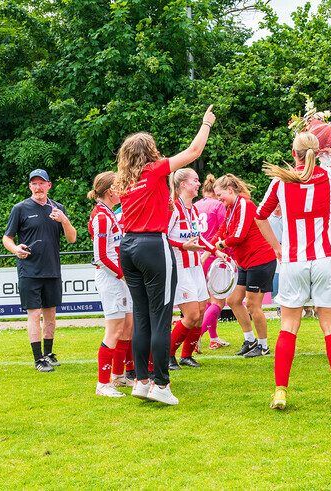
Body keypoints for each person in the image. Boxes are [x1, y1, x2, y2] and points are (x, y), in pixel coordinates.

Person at [115, 105, 215, 406]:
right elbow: (194, 151)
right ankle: (161, 383)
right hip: (152, 245)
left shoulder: (124, 181)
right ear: (150, 152)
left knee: (143, 317)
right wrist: (206, 122)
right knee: (160, 319)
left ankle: (142, 382)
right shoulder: (153, 171)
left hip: (128, 247)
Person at [256, 132, 331, 410]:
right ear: (318, 151)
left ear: (293, 153)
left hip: (294, 260)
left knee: (289, 326)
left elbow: (260, 216)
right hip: (325, 258)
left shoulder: (280, 181)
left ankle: (280, 392)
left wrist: (276, 247)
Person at [3, 169, 77, 372]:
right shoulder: (20, 208)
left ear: (49, 185)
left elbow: (72, 238)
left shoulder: (58, 208)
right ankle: (38, 359)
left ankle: (49, 354)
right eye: (34, 184)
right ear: (30, 186)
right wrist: (16, 249)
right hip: (29, 270)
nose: (38, 187)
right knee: (34, 313)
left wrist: (64, 220)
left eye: (41, 183)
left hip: (52, 269)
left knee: (50, 314)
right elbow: (7, 238)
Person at [167, 168, 227, 370]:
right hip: (180, 267)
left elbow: (198, 237)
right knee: (191, 315)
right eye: (195, 180)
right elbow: (163, 237)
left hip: (195, 266)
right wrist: (184, 246)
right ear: (183, 184)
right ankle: (167, 355)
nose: (199, 184)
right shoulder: (173, 208)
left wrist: (214, 251)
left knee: (201, 313)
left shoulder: (192, 209)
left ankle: (187, 355)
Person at [213, 174, 276, 358]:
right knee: (233, 300)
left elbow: (238, 235)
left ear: (230, 190)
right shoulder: (231, 207)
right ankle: (250, 340)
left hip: (260, 260)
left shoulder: (244, 204)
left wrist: (222, 244)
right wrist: (208, 246)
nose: (219, 199)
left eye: (220, 195)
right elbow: (222, 231)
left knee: (253, 304)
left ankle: (263, 346)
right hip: (246, 262)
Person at [87, 171, 134, 397]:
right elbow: (100, 256)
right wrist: (122, 274)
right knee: (114, 329)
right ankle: (102, 384)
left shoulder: (109, 213)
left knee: (127, 327)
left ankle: (118, 376)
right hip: (111, 278)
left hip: (118, 277)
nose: (122, 189)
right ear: (109, 191)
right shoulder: (102, 217)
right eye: (118, 186)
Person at [193, 174, 231, 350]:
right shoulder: (218, 205)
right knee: (218, 302)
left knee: (208, 302)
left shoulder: (195, 206)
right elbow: (225, 230)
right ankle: (196, 338)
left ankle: (213, 337)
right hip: (214, 256)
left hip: (198, 256)